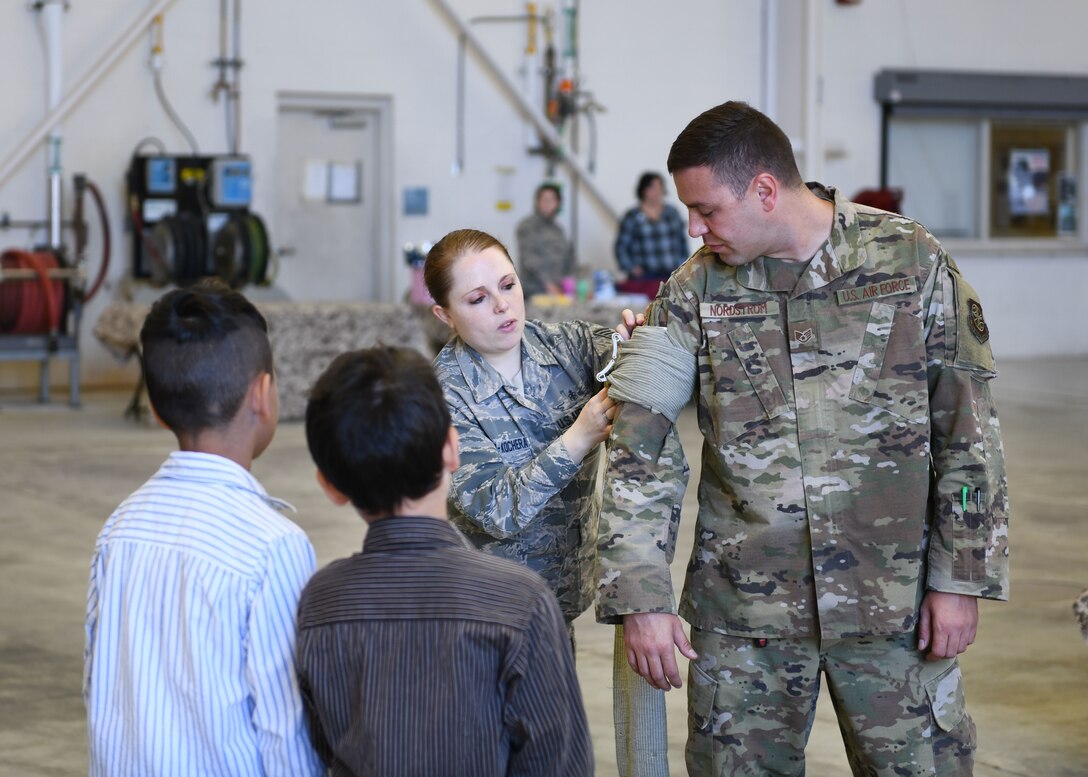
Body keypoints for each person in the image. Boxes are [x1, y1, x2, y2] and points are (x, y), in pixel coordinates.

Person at [596, 101, 1010, 776]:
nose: (694, 229)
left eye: (706, 210)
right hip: (744, 618)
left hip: (894, 609)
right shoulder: (694, 288)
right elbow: (641, 447)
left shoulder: (909, 261)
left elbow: (967, 433)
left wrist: (960, 576)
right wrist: (641, 592)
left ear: (764, 190)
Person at [425, 228, 668, 776]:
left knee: (551, 753)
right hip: (478, 620)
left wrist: (638, 338)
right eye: (476, 299)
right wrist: (578, 437)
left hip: (555, 607)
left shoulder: (568, 345)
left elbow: (640, 362)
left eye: (507, 285)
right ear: (444, 314)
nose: (502, 306)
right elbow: (496, 509)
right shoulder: (444, 393)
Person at [296, 345, 593, 776]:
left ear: (330, 486)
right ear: (453, 450)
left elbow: (321, 746)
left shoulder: (320, 602)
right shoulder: (521, 601)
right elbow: (559, 764)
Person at [83, 280, 323, 777]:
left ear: (154, 406)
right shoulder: (273, 546)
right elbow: (284, 728)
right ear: (263, 394)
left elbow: (100, 687)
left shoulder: (120, 528)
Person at [614, 171, 690, 294]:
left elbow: (682, 242)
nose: (657, 191)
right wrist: (631, 268)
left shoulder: (672, 213)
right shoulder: (632, 216)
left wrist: (682, 265)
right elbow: (621, 246)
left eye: (660, 186)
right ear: (644, 190)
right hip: (644, 277)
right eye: (652, 187)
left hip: (671, 274)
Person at [516, 181, 575, 296]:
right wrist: (548, 284)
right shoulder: (527, 226)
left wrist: (569, 283)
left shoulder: (558, 230)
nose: (547, 203)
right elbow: (530, 260)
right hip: (535, 290)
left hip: (558, 290)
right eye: (544, 199)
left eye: (551, 200)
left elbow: (568, 259)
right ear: (537, 201)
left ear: (558, 203)